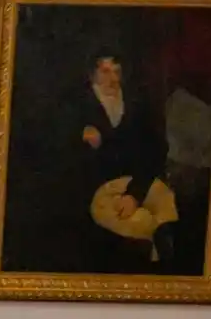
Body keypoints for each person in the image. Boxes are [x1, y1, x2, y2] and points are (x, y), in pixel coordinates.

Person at [73, 49, 179, 269]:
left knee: (165, 202)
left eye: (117, 72)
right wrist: (79, 137)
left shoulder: (137, 104)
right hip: (97, 192)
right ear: (93, 75)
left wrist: (135, 194)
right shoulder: (77, 106)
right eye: (105, 71)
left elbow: (156, 149)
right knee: (140, 225)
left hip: (135, 182)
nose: (112, 79)